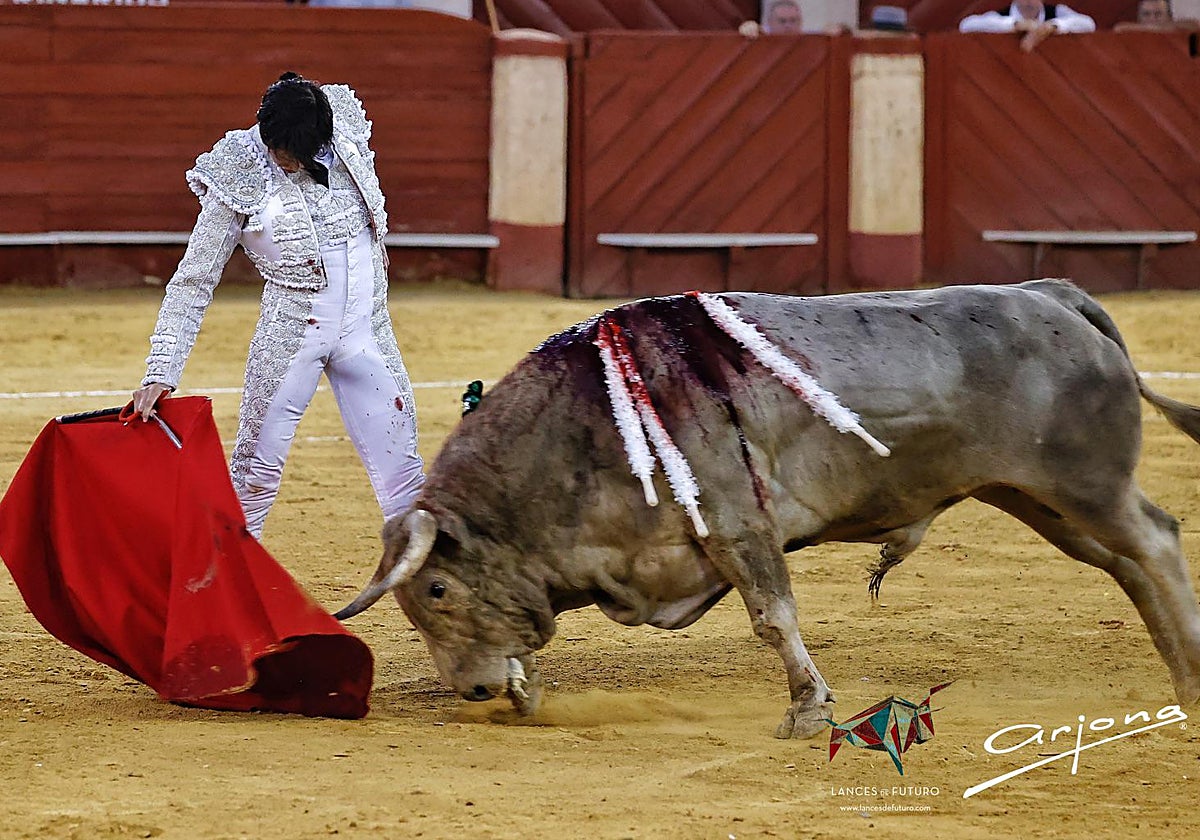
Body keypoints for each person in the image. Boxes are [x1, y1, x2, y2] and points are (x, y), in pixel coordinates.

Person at [132, 72, 425, 539]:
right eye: (275, 148)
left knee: (406, 480)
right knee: (254, 477)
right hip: (291, 337)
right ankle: (228, 602)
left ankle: (435, 607)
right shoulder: (237, 169)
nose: (281, 160)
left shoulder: (344, 130)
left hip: (367, 330)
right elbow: (193, 281)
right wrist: (161, 369)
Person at [959, 1, 1096, 52]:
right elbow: (966, 25)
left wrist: (1051, 27)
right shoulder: (1001, 15)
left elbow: (1088, 24)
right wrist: (1016, 25)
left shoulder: (1056, 12)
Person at [739, 0, 804, 36]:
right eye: (782, 21)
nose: (788, 26)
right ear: (770, 22)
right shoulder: (762, 42)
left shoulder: (809, 45)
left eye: (793, 20)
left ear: (800, 22)